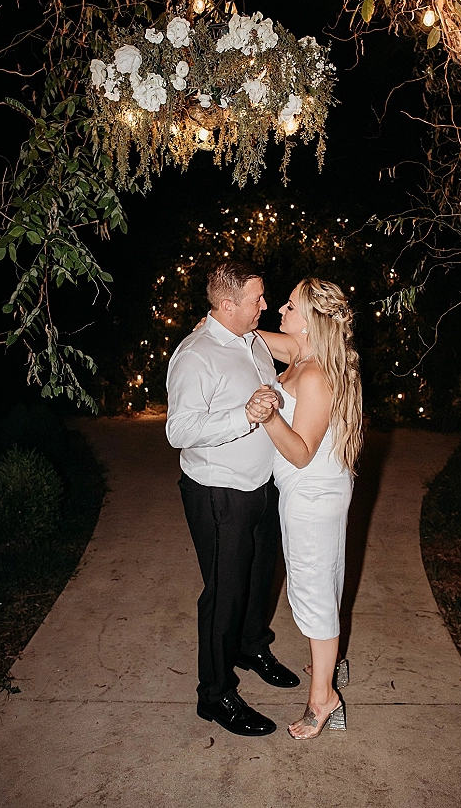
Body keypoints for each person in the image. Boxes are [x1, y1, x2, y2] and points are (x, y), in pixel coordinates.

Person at [165, 261, 299, 739]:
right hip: (218, 493)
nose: (265, 305)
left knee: (262, 576)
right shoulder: (195, 355)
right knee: (224, 594)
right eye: (256, 299)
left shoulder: (254, 341)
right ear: (227, 305)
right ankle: (215, 693)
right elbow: (179, 431)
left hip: (261, 485)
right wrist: (243, 415)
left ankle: (251, 645)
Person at [245, 277, 362, 740]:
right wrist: (233, 329)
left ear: (310, 321)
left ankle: (323, 701)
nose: (280, 311)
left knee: (313, 594)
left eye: (290, 307)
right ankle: (327, 665)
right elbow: (270, 341)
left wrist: (270, 416)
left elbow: (300, 451)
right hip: (310, 494)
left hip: (312, 496)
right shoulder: (305, 355)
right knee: (320, 584)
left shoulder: (314, 375)